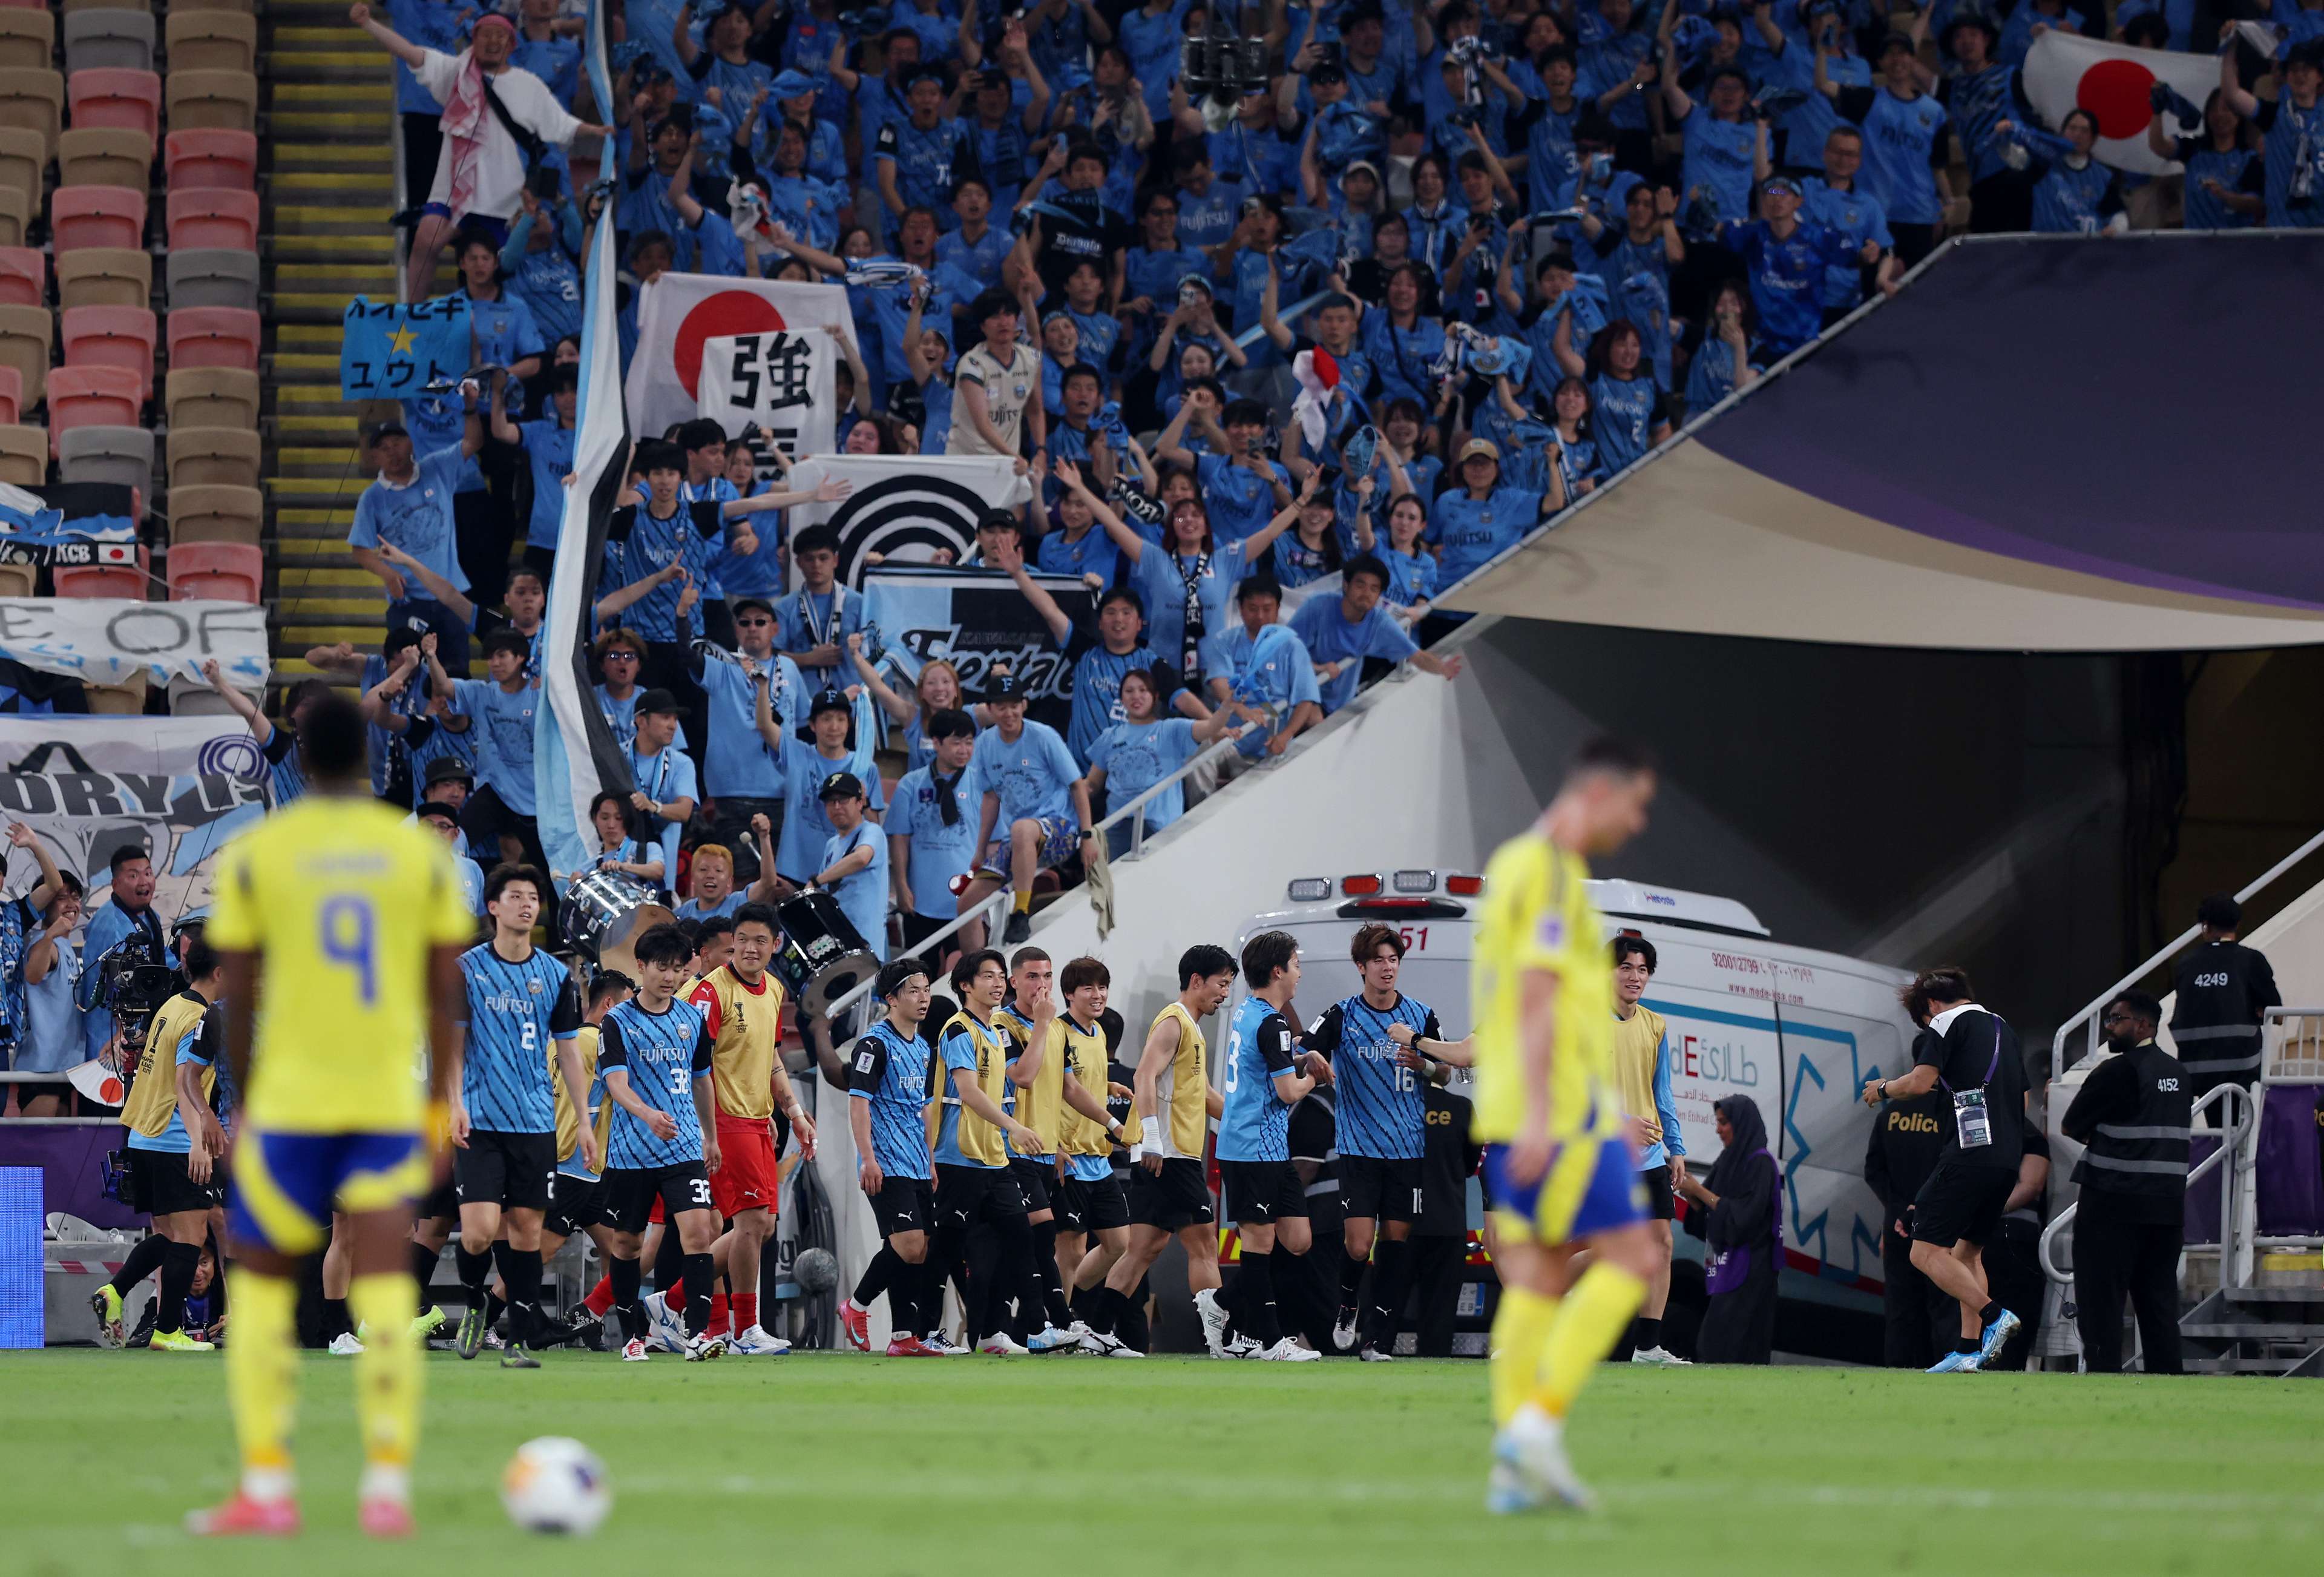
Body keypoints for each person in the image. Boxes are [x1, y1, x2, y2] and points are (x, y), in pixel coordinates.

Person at [191, 695, 471, 1538]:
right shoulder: (412, 853)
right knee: (384, 1281)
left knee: (265, 1285)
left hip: (291, 1101)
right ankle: (386, 1487)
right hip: (385, 1096)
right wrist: (438, 1099)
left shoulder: (263, 851)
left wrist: (240, 1102)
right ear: (374, 761)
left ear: (302, 760)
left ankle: (267, 1487)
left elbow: (236, 991)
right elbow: (442, 989)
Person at [1473, 735, 1663, 1515]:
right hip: (1552, 1113)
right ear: (1599, 793)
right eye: (1638, 803)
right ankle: (1535, 1426)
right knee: (1635, 1255)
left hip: (1524, 1107)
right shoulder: (1551, 872)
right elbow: (1541, 996)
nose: (1640, 821)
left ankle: (1516, 1458)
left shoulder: (1526, 864)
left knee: (1544, 1272)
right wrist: (1564, 1115)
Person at [347, 5, 608, 303]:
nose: (493, 41)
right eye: (486, 35)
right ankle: (412, 315)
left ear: (511, 46)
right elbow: (410, 53)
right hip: (455, 193)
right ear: (474, 40)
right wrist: (368, 24)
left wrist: (596, 131)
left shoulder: (529, 85)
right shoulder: (455, 73)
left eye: (501, 36)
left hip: (504, 201)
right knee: (424, 241)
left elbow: (562, 125)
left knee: (501, 276)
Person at [447, 863, 586, 1368]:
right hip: (480, 1120)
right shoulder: (467, 970)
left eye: (533, 896)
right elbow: (453, 1045)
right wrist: (454, 1102)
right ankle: (475, 1300)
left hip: (535, 1123)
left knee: (527, 1230)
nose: (528, 904)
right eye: (516, 896)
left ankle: (520, 1340)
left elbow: (569, 1052)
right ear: (494, 905)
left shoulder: (554, 975)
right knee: (481, 1232)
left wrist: (586, 1122)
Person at [1859, 966, 2027, 1373]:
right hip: (2007, 1158)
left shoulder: (1945, 1021)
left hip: (1969, 1154)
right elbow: (2021, 1100)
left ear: (1931, 1005)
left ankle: (1994, 1316)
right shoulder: (2003, 1027)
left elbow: (1919, 1082)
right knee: (1968, 1251)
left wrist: (1882, 1088)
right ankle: (1969, 1350)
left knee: (1923, 1251)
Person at [1077, 944, 1235, 1357]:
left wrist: (1247, 1121)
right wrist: (1150, 1137)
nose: (1225, 993)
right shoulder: (1173, 1022)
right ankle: (1224, 1340)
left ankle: (1097, 1332)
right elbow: (1145, 1075)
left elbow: (1201, 1093)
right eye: (1221, 984)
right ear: (1197, 980)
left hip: (1163, 1155)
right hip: (1169, 1155)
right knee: (1203, 1243)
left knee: (1144, 1248)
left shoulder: (1192, 1028)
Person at [684, 901, 818, 1357]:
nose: (751, 948)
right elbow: (693, 1064)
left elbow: (773, 1059)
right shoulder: (709, 992)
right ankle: (745, 1329)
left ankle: (688, 1308)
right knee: (752, 1222)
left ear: (776, 945)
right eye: (743, 939)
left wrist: (794, 1112)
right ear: (732, 943)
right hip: (722, 1117)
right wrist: (705, 1131)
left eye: (762, 940)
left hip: (760, 1120)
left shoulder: (776, 990)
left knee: (756, 1227)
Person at [1305, 922, 1439, 1362]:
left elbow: (1449, 1071)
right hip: (1359, 1149)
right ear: (1361, 966)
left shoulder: (1421, 1014)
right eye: (1379, 960)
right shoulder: (1342, 1014)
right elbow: (1305, 1048)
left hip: (1409, 1151)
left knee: (1396, 1246)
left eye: (1394, 959)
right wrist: (1316, 1061)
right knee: (1360, 1245)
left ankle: (1378, 1339)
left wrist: (1424, 1063)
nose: (1388, 968)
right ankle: (1348, 1305)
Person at [597, 921, 729, 1363]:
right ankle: (633, 1334)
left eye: (677, 968)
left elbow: (702, 1079)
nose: (670, 976)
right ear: (641, 966)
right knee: (628, 1245)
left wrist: (710, 1136)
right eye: (661, 967)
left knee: (699, 1232)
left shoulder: (693, 1019)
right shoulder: (617, 1022)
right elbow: (615, 1083)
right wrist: (648, 1114)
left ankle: (696, 1335)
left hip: (684, 1147)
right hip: (632, 1152)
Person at [97, 938, 227, 1353]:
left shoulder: (171, 1005)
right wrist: (197, 1142)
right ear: (221, 973)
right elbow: (183, 1082)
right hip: (174, 1138)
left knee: (173, 1237)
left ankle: (114, 1292)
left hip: (143, 1135)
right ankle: (168, 1330)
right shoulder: (201, 1017)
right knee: (193, 1233)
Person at [2062, 990, 2190, 1375]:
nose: (2110, 1028)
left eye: (2118, 1019)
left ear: (2145, 1025)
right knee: (2159, 1308)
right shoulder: (2180, 1075)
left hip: (2112, 1206)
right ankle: (2168, 1387)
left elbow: (2071, 1125)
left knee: (2102, 1306)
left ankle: (2104, 1385)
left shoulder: (2117, 1071)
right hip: (2166, 1210)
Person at [931, 947, 1047, 1353]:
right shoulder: (958, 1029)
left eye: (1001, 976)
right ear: (966, 984)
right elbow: (968, 1092)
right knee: (947, 1250)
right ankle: (925, 1331)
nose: (998, 983)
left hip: (994, 1156)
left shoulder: (996, 1031)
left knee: (1019, 1237)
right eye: (988, 976)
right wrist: (1015, 1126)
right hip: (959, 1155)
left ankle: (1005, 1330)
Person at [842, 958, 952, 1355]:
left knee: (919, 1248)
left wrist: (932, 1159)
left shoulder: (923, 1047)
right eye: (914, 991)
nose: (924, 998)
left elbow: (923, 1108)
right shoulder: (874, 1044)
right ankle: (855, 1306)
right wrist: (867, 1157)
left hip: (917, 1162)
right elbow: (859, 1104)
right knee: (906, 1244)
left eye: (926, 989)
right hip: (885, 1162)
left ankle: (903, 1337)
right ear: (891, 998)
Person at [1601, 935, 1692, 1365]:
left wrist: (1676, 1147)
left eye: (1642, 969)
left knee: (1661, 1244)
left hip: (1650, 1157)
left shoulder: (1656, 1025)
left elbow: (1664, 1092)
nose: (1635, 976)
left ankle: (1648, 1346)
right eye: (1626, 968)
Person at [958, 671, 1095, 946]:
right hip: (1020, 840)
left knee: (1021, 829)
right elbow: (991, 799)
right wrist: (980, 849)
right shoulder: (984, 744)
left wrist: (1088, 836)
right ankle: (972, 975)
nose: (1009, 712)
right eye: (1001, 706)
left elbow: (1077, 785)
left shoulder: (1043, 736)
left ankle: (1020, 912)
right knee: (967, 902)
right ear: (990, 709)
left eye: (1014, 705)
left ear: (1024, 705)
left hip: (1060, 830)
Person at [1290, 553, 1465, 717]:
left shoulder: (1379, 621)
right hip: (1300, 692)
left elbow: (1416, 655)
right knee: (1311, 718)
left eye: (1374, 589)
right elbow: (1286, 650)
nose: (1366, 594)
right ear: (1346, 585)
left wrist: (1442, 668)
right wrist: (1320, 669)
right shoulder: (1318, 606)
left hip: (1339, 704)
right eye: (1361, 585)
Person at [1674, 1094, 1780, 1364]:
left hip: (1753, 1269)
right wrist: (1692, 1195)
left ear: (1741, 1123)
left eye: (1724, 1123)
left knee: (1728, 1343)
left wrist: (1699, 1190)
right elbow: (1714, 1216)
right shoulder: (1727, 1161)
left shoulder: (1761, 1164)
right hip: (1729, 1264)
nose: (1718, 1129)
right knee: (1716, 1342)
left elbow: (1743, 1217)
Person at [1863, 1070, 1953, 1369]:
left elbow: (1873, 1171)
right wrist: (1924, 1207)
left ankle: (1897, 1374)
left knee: (1900, 1309)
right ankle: (1943, 1372)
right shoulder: (1951, 1113)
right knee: (1943, 1307)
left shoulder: (1891, 1115)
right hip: (1941, 1226)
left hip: (1898, 1228)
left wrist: (1899, 1209)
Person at [884, 708, 981, 961]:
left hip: (965, 901)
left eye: (969, 742)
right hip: (920, 902)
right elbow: (900, 839)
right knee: (918, 977)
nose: (964, 750)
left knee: (967, 975)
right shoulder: (910, 785)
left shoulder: (982, 784)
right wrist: (902, 886)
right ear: (936, 743)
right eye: (956, 742)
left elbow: (993, 842)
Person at [2165, 894, 2280, 1104]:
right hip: (2243, 1070)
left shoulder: (2185, 964)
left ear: (2205, 926)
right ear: (2237, 924)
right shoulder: (2250, 960)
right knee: (2241, 1131)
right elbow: (2277, 1014)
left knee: (2216, 1132)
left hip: (2196, 1073)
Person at [78, 844, 165, 1066]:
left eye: (148, 873)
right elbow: (117, 981)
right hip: (111, 1041)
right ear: (115, 884)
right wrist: (120, 1032)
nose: (144, 881)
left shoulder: (148, 915)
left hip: (136, 1036)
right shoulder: (112, 923)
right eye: (133, 876)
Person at [807, 771, 891, 961]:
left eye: (843, 800)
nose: (837, 807)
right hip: (836, 941)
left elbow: (862, 858)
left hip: (865, 942)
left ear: (860, 803)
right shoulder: (831, 844)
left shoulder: (872, 831)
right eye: (831, 801)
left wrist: (816, 880)